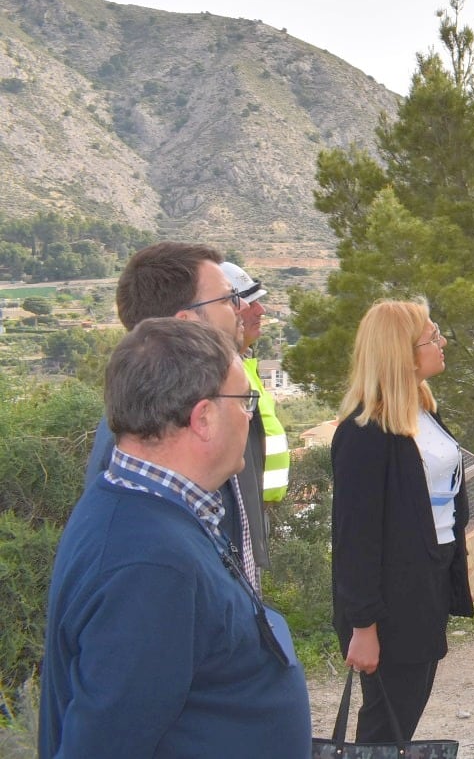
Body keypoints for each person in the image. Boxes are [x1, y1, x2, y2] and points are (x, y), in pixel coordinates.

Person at [39, 318, 311, 758]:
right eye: (245, 401)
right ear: (203, 418)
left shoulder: (146, 507)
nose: (250, 416)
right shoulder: (150, 565)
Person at [84, 240, 268, 586]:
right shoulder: (135, 446)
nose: (243, 306)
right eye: (228, 299)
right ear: (186, 323)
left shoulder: (194, 413)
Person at [332, 301, 474, 743]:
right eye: (431, 338)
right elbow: (354, 539)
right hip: (391, 603)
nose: (442, 342)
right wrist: (363, 627)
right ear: (402, 354)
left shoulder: (421, 412)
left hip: (425, 585)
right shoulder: (364, 434)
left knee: (403, 712)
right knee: (387, 722)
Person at [221, 261, 291, 503]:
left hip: (259, 508)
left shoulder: (245, 365)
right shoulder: (220, 374)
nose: (260, 310)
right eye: (250, 302)